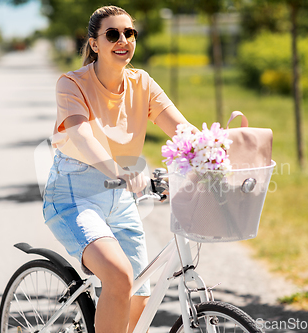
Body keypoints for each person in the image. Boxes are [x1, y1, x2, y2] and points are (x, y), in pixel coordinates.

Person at [43, 5, 196, 333]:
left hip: (121, 199)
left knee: (138, 295)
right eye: (112, 34)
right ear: (94, 44)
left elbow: (183, 131)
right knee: (119, 276)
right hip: (74, 195)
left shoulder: (143, 83)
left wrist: (214, 154)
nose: (123, 39)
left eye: (129, 33)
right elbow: (81, 134)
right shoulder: (71, 84)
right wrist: (118, 170)